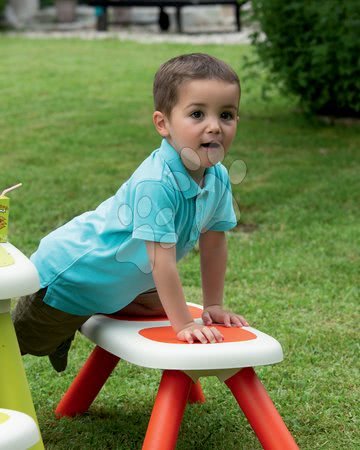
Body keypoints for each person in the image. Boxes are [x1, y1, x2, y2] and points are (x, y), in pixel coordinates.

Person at [13, 53, 249, 373]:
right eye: (197, 114)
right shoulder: (156, 183)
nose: (215, 127)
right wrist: (184, 325)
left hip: (125, 280)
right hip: (73, 278)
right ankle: (57, 335)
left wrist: (214, 306)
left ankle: (65, 330)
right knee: (20, 344)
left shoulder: (217, 176)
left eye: (226, 115)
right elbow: (160, 261)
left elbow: (214, 243)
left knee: (157, 305)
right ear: (162, 123)